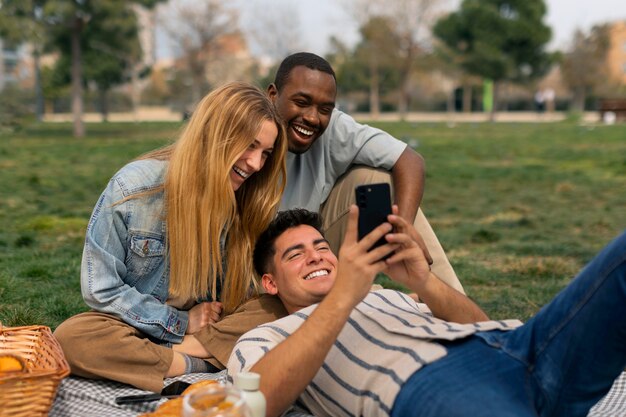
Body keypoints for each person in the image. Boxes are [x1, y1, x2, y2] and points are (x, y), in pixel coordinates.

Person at [229, 208, 626, 417]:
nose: (316, 255)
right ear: (271, 283)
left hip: (519, 348)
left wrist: (424, 282)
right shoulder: (266, 338)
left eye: (321, 247)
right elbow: (255, 404)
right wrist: (343, 295)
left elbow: (483, 325)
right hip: (434, 386)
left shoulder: (389, 295)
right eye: (296, 254)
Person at [54, 82, 289, 393]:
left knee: (278, 306)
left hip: (210, 326)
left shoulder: (246, 201)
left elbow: (247, 296)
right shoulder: (133, 189)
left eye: (265, 153)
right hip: (138, 326)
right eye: (250, 146)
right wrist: (181, 324)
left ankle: (174, 359)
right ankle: (195, 363)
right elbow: (101, 288)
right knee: (72, 337)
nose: (257, 164)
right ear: (214, 136)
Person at [268, 52, 462, 292]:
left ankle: (452, 305)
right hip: (253, 265)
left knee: (377, 180)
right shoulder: (242, 135)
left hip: (312, 248)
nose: (312, 117)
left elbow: (409, 159)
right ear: (273, 95)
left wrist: (403, 227)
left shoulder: (332, 128)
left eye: (324, 108)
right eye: (301, 102)